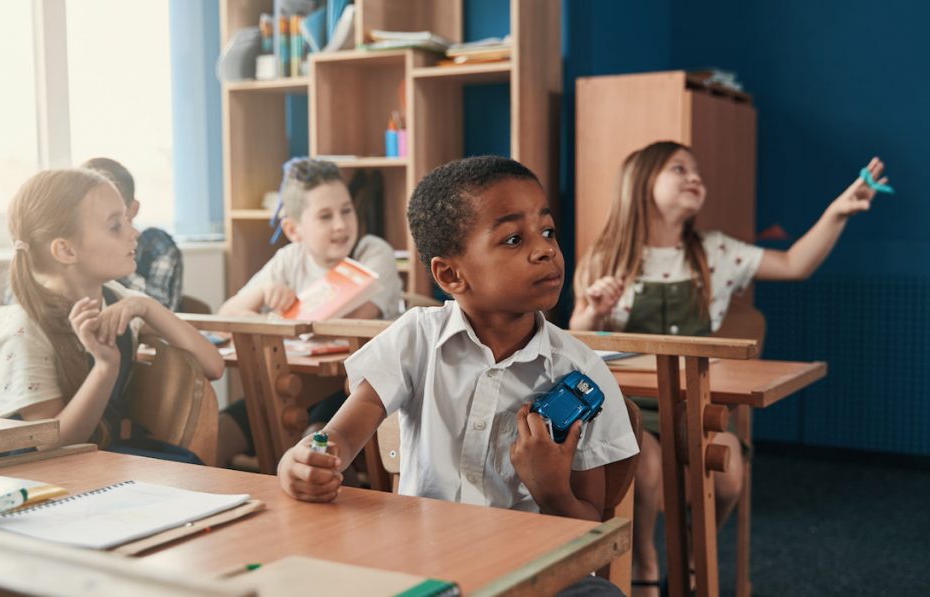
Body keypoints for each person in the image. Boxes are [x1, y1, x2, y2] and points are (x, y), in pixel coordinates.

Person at [277, 156, 639, 596]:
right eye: (512, 238)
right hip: (423, 564)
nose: (545, 249)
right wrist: (306, 462)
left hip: (533, 575)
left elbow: (590, 538)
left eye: (547, 231)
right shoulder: (416, 337)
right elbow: (342, 436)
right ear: (450, 274)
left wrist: (552, 490)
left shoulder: (580, 371)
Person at [569, 141, 889, 595]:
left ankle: (697, 554)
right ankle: (643, 560)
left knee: (727, 472)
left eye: (697, 170)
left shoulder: (714, 252)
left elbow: (795, 263)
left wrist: (837, 212)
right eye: (679, 168)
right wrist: (591, 311)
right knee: (645, 468)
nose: (694, 177)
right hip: (630, 407)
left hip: (696, 404)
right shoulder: (606, 257)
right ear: (641, 184)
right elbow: (579, 339)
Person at [0, 169, 224, 462]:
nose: (135, 233)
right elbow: (50, 444)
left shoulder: (115, 298)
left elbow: (213, 366)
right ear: (65, 250)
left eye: (127, 220)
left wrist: (147, 307)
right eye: (116, 226)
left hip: (93, 453)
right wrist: (105, 367)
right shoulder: (23, 328)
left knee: (188, 468)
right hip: (31, 469)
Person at [216, 158, 403, 468]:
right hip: (291, 386)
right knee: (217, 432)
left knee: (317, 443)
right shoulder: (289, 259)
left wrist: (286, 317)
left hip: (354, 392)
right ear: (293, 229)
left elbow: (358, 318)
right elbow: (226, 319)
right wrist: (264, 293)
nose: (341, 225)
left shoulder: (372, 251)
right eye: (325, 216)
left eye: (346, 210)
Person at [82, 157, 184, 311]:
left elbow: (162, 311)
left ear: (133, 209)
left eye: (118, 220)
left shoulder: (158, 245)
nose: (133, 233)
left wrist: (116, 263)